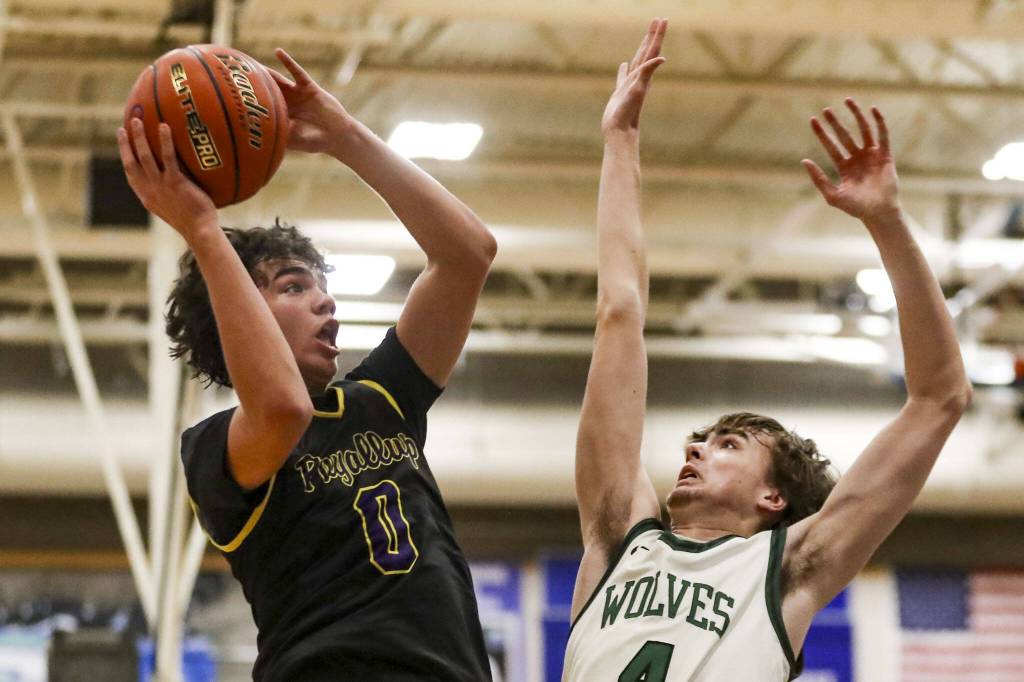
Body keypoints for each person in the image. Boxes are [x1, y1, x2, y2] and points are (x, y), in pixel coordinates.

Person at [562, 19, 972, 682]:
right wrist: (619, 141)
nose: (694, 450)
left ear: (775, 498)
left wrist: (887, 223)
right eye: (704, 441)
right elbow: (619, 314)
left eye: (728, 446)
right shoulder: (619, 537)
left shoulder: (789, 569)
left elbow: (939, 398)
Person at [118, 48, 496, 682]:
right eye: (294, 287)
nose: (325, 299)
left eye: (321, 286)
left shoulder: (381, 401)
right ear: (235, 311)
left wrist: (348, 138)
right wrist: (204, 231)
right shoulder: (214, 449)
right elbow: (283, 408)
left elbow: (468, 254)